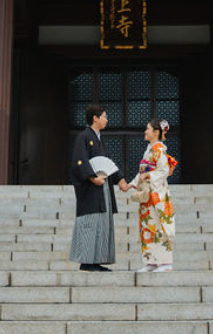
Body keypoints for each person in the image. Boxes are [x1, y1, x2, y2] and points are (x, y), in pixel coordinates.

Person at [69, 104, 130, 271]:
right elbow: (79, 161)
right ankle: (87, 261)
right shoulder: (84, 136)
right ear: (95, 118)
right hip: (90, 188)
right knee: (90, 222)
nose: (106, 119)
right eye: (104, 116)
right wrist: (91, 177)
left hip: (102, 187)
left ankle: (96, 260)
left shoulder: (99, 139)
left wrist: (121, 179)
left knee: (101, 223)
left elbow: (108, 163)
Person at [131, 118, 177, 272]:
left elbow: (163, 171)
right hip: (148, 195)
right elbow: (142, 172)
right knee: (148, 227)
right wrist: (131, 183)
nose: (145, 131)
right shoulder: (149, 150)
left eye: (148, 129)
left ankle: (165, 263)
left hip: (157, 195)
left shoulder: (159, 150)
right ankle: (151, 261)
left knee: (159, 226)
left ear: (156, 132)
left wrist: (148, 177)